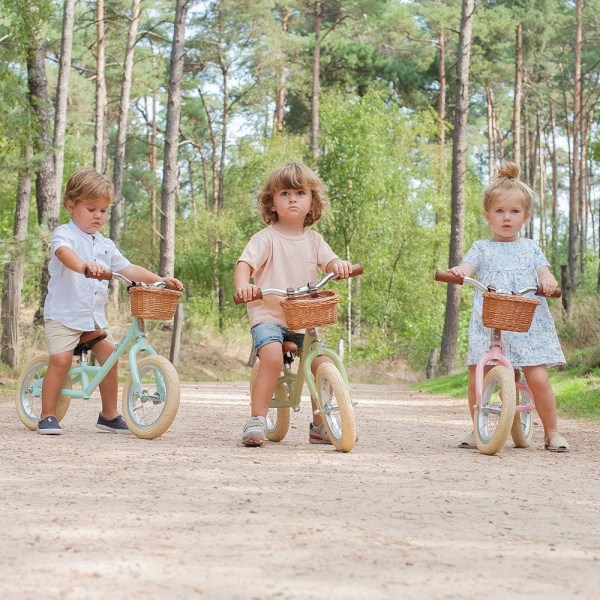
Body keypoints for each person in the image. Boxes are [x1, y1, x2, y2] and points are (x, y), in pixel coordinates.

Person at [38, 168, 183, 435]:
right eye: (91, 208)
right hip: (64, 316)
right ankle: (47, 414)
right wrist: (84, 267)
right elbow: (64, 254)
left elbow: (128, 269)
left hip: (92, 319)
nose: (98, 216)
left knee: (109, 356)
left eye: (103, 211)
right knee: (61, 361)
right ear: (71, 205)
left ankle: (108, 415)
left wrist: (159, 278)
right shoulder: (64, 233)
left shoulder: (105, 245)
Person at [448, 162, 569, 452]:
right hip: (490, 321)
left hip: (526, 321)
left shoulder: (530, 248)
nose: (507, 218)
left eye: (514, 211)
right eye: (500, 211)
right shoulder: (481, 247)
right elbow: (467, 266)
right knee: (478, 373)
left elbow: (543, 271)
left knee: (537, 376)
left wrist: (548, 279)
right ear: (487, 214)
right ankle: (479, 425)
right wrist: (458, 271)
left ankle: (552, 432)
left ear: (525, 216)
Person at [234, 161, 352, 447]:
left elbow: (330, 260)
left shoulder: (314, 240)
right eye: (284, 193)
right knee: (272, 358)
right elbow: (244, 264)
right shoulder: (265, 239)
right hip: (268, 316)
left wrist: (339, 266)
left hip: (302, 318)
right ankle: (257, 420)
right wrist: (243, 286)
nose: (292, 199)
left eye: (300, 194)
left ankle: (320, 425)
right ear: (272, 203)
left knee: (321, 363)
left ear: (312, 202)